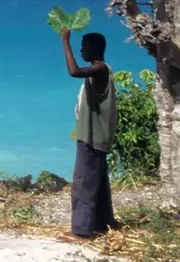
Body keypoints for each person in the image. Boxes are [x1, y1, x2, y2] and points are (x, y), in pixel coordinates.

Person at [60, 27, 118, 241]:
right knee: (98, 181)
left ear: (94, 49)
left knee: (84, 182)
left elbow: (74, 71)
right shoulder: (103, 69)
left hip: (92, 136)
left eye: (84, 47)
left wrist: (65, 42)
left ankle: (82, 231)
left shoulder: (100, 69)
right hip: (97, 135)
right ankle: (103, 223)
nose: (81, 51)